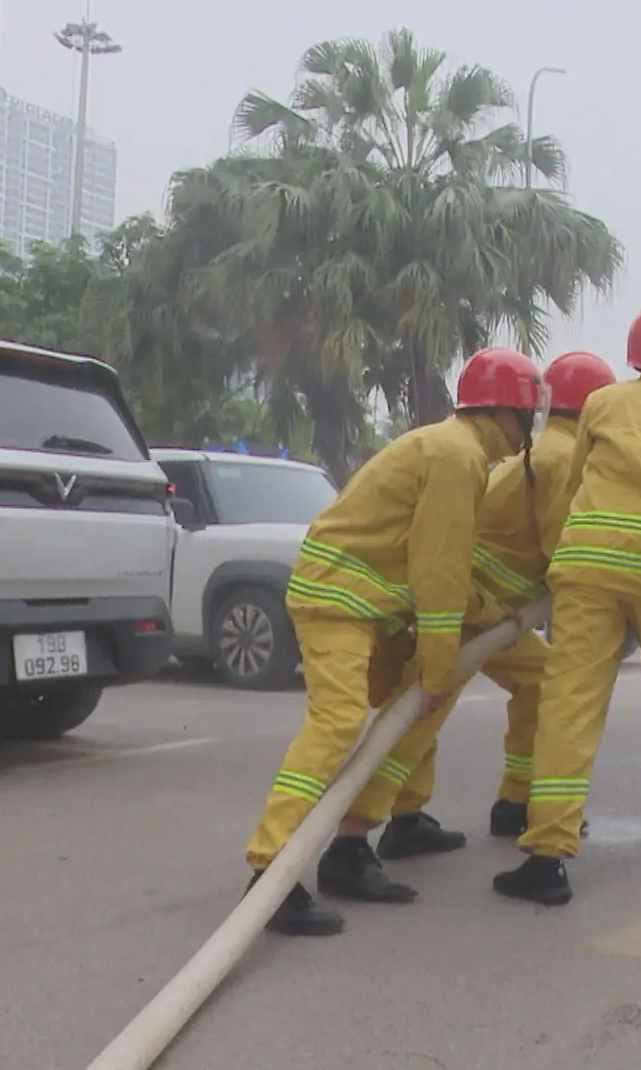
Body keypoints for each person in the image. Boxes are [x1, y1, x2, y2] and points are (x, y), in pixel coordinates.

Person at [243, 346, 544, 937]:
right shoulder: (459, 458)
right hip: (340, 602)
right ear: (506, 411)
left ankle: (362, 844)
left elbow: (423, 554)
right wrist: (438, 667)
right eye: (526, 414)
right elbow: (439, 568)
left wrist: (483, 617)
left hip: (365, 604)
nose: (529, 429)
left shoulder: (452, 448)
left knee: (401, 715)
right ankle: (271, 868)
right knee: (338, 724)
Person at [493, 300, 641, 906]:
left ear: (637, 357)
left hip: (589, 568)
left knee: (570, 704)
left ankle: (548, 856)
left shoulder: (603, 405)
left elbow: (577, 482)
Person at [360, 351, 620, 861]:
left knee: (537, 683)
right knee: (421, 712)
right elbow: (560, 548)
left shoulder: (547, 451)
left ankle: (509, 800)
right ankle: (359, 831)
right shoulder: (561, 460)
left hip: (492, 610)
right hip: (471, 609)